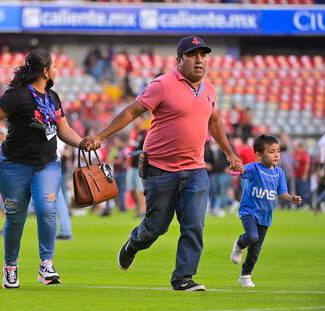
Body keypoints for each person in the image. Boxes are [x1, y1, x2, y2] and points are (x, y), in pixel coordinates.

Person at [82, 36, 243, 291]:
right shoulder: (162, 85)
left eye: (203, 55)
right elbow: (132, 111)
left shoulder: (210, 89)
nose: (199, 60)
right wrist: (101, 136)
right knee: (155, 227)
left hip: (195, 170)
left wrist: (229, 153)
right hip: (160, 169)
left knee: (194, 225)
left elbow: (214, 122)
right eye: (193, 55)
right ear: (179, 60)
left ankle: (183, 277)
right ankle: (133, 244)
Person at [0, 49, 84, 289]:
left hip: (46, 165)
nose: (57, 70)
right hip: (14, 165)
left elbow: (64, 130)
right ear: (45, 71)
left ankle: (46, 265)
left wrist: (82, 142)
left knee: (47, 209)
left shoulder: (53, 97)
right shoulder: (15, 96)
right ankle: (10, 267)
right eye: (54, 66)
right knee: (15, 218)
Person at [230, 135, 302, 288]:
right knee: (252, 236)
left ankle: (245, 276)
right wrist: (236, 169)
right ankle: (239, 244)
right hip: (249, 211)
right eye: (271, 152)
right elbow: (240, 171)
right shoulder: (254, 168)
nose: (276, 154)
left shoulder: (279, 173)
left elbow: (282, 193)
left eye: (277, 151)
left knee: (255, 250)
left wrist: (291, 199)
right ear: (259, 155)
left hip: (265, 216)